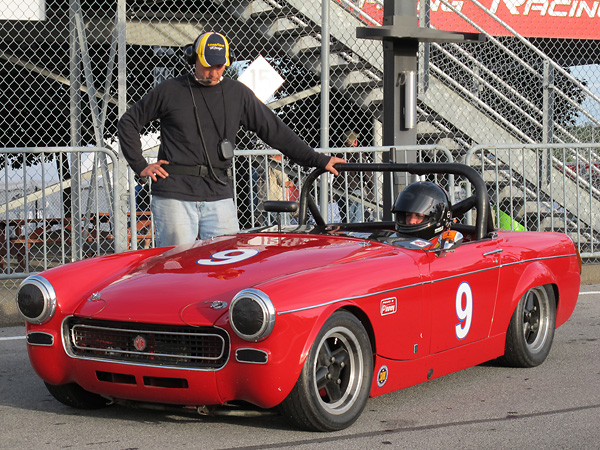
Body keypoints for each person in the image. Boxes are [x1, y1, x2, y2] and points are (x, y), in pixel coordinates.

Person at [118, 31, 345, 246]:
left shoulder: (238, 93)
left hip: (218, 194)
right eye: (208, 66)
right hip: (175, 195)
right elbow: (128, 122)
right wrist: (141, 166)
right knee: (176, 269)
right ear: (193, 58)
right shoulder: (169, 90)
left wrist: (318, 159)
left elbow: (275, 131)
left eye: (220, 66)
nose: (214, 72)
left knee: (225, 268)